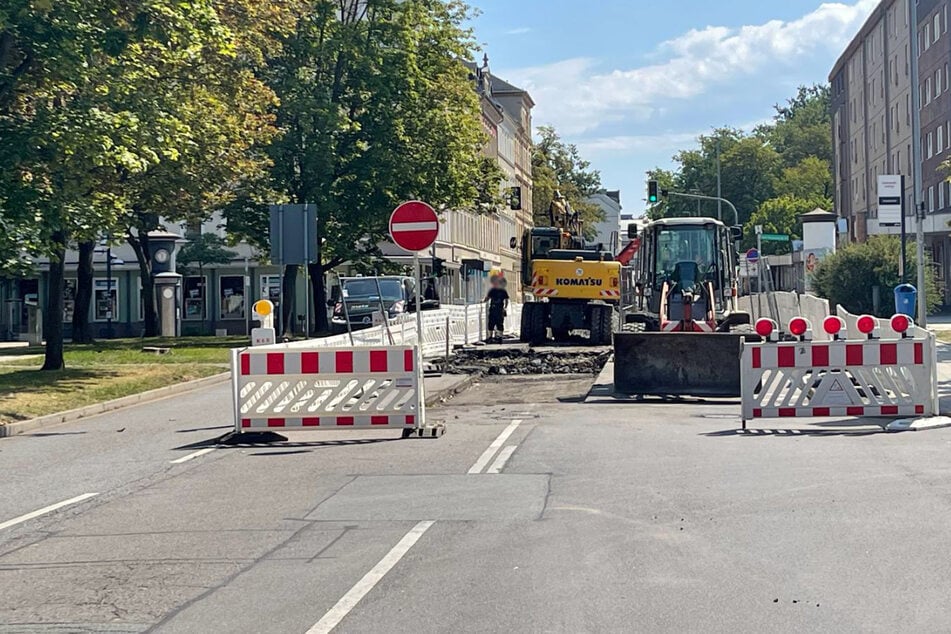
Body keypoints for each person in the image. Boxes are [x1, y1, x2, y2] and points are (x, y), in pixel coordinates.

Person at [484, 277, 509, 342]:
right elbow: (488, 298)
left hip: (498, 309)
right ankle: (492, 337)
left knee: (498, 323)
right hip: (495, 309)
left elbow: (506, 300)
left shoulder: (502, 291)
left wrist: (505, 308)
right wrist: (483, 301)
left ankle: (498, 337)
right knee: (493, 323)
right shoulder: (494, 290)